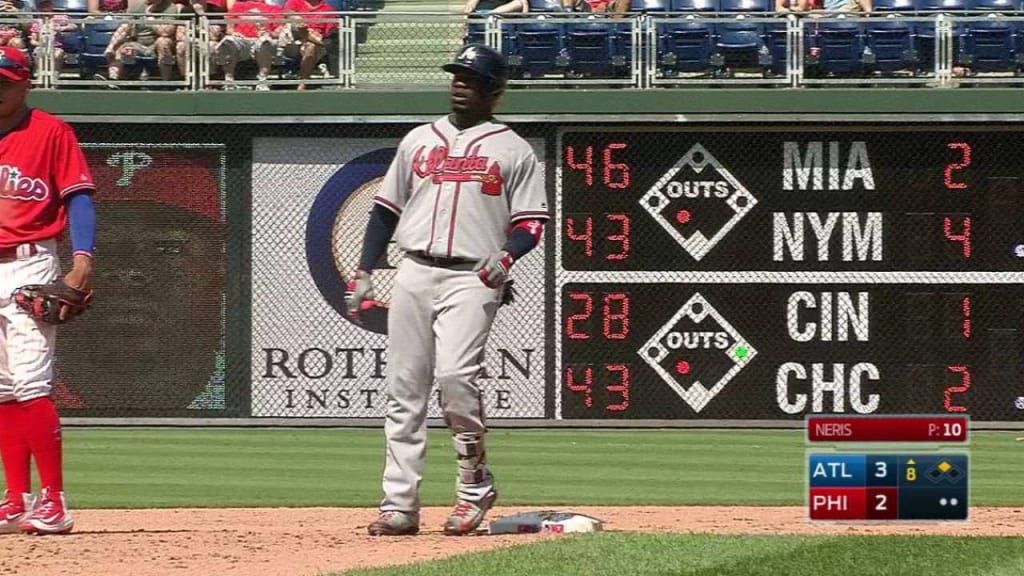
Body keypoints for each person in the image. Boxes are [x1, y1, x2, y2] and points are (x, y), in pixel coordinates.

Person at [348, 44, 549, 537]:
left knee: (458, 380)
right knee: (405, 388)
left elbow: (531, 224)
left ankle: (473, 486)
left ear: (495, 93)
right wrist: (365, 270)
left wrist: (506, 256)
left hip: (474, 275)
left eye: (473, 78)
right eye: (457, 74)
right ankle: (399, 504)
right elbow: (384, 211)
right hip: (415, 269)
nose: (460, 83)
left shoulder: (513, 149)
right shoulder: (419, 140)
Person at [0, 45, 97, 535]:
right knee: (0, 391)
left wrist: (82, 262)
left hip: (30, 265)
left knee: (32, 385)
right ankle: (16, 499)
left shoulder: (51, 132)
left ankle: (54, 501)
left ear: (24, 84)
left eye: (3, 81)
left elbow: (78, 199)